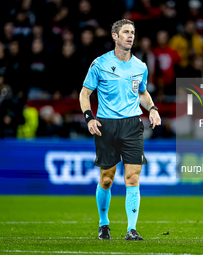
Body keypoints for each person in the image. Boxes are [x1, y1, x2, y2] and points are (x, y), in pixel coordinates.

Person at [79, 19, 161, 241]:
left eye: (132, 32)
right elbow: (85, 93)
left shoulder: (140, 66)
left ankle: (131, 229)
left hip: (132, 125)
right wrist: (89, 118)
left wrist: (152, 108)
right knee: (106, 179)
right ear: (114, 36)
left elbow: (142, 93)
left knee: (132, 177)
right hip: (107, 125)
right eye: (125, 32)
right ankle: (103, 223)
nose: (130, 35)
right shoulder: (99, 64)